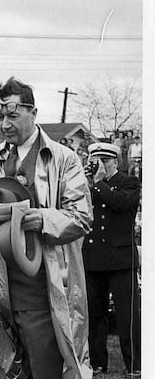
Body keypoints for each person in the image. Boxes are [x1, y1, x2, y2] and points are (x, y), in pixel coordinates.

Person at [0, 77, 92, 378]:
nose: (5, 124)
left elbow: (82, 216)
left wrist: (43, 219)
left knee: (48, 367)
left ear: (33, 113)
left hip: (47, 288)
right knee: (16, 369)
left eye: (13, 115)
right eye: (0, 117)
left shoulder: (64, 158)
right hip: (2, 287)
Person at [82, 142, 141, 375]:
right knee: (95, 315)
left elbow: (120, 203)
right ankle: (97, 362)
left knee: (128, 315)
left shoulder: (129, 183)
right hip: (94, 258)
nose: (101, 166)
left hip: (120, 258)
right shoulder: (88, 186)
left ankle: (135, 364)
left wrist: (97, 183)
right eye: (97, 161)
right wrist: (89, 183)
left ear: (115, 162)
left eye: (106, 161)